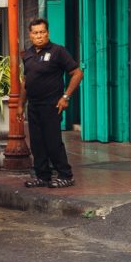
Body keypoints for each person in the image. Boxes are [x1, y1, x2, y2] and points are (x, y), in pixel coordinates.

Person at [16, 18, 83, 188]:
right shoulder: (28, 54)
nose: (39, 36)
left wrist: (65, 97)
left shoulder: (58, 51)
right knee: (37, 143)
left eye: (42, 32)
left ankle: (66, 175)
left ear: (48, 33)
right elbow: (25, 81)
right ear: (30, 35)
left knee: (53, 142)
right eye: (35, 33)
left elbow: (77, 73)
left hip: (52, 104)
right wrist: (20, 105)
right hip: (34, 105)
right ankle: (42, 176)